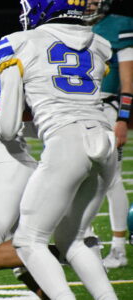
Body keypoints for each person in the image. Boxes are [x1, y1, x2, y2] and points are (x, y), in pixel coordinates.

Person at [0, 0, 118, 299]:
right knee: (73, 239)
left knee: (28, 241)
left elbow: (9, 128)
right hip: (105, 141)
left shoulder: (17, 43)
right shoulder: (100, 44)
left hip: (67, 143)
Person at [84, 0, 133, 269]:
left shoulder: (120, 25)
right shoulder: (74, 26)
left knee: (111, 179)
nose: (88, 4)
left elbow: (128, 80)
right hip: (78, 109)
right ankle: (86, 242)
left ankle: (118, 249)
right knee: (79, 177)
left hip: (107, 109)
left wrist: (123, 119)